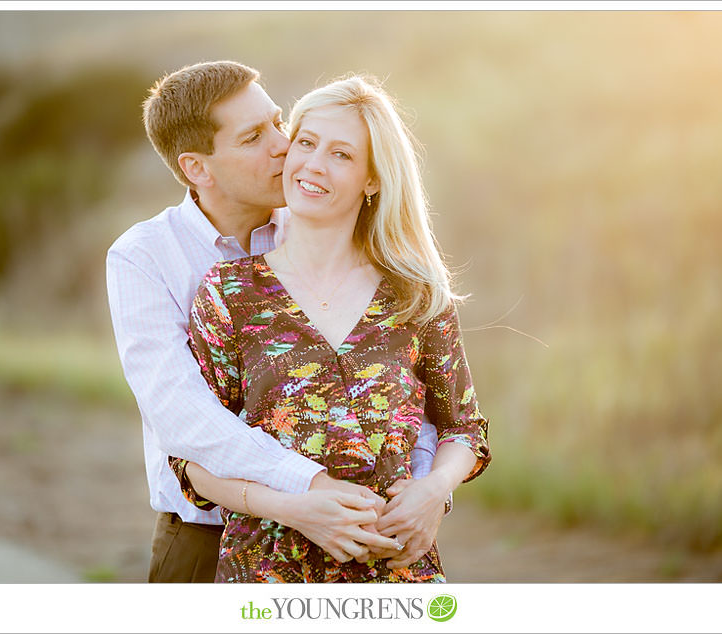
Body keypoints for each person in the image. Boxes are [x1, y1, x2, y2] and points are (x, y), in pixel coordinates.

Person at [106, 61, 441, 583]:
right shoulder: (144, 257)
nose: (285, 146)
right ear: (197, 168)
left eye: (278, 122)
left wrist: (419, 492)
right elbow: (185, 419)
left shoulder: (319, 221)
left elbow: (394, 378)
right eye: (254, 137)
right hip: (207, 538)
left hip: (354, 534)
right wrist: (305, 488)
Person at [169, 74, 491, 582]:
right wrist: (291, 506)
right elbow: (193, 462)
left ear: (373, 178)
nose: (314, 165)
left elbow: (463, 429)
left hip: (394, 574)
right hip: (267, 576)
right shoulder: (229, 292)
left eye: (342, 154)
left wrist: (433, 491)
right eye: (306, 142)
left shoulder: (416, 293)